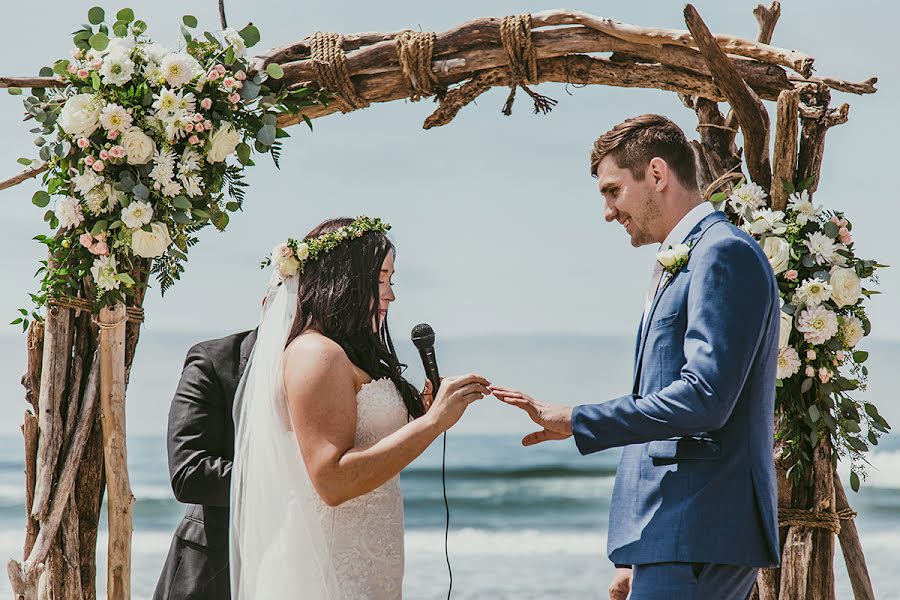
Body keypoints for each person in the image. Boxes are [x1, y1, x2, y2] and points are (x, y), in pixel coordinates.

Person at [493, 115, 781, 600]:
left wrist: (576, 418)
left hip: (696, 525)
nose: (608, 212)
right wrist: (637, 550)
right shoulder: (693, 254)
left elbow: (705, 398)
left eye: (613, 192)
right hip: (672, 533)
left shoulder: (721, 252)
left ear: (656, 173)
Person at [229, 216, 490, 599]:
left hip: (368, 566)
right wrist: (433, 423)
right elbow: (331, 481)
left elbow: (369, 451)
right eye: (381, 279)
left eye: (391, 280)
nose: (391, 295)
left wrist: (423, 412)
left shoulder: (341, 355)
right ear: (345, 280)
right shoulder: (315, 354)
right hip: (328, 572)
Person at [153, 328, 256, 600]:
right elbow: (189, 473)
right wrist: (292, 476)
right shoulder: (212, 360)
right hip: (214, 573)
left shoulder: (352, 359)